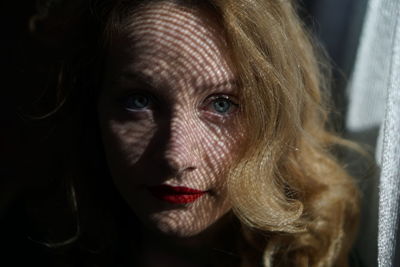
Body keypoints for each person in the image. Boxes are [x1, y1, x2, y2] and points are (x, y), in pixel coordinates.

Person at [7, 0, 360, 266]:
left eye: (222, 103)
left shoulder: (324, 253)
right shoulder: (33, 239)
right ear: (92, 105)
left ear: (276, 116)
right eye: (139, 100)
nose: (176, 156)